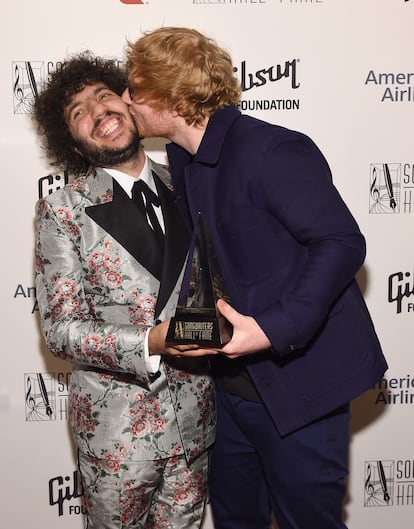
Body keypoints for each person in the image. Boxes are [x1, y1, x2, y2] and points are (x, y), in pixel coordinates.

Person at [122, 27, 388, 529]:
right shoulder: (182, 157)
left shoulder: (272, 151)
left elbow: (341, 242)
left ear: (166, 98)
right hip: (227, 393)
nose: (126, 99)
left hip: (301, 388)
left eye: (134, 89)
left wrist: (271, 328)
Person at [33, 51, 216, 529]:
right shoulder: (63, 211)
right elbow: (60, 331)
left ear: (131, 103)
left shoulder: (187, 186)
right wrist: (150, 342)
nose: (98, 113)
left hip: (195, 426)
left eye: (104, 97)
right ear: (70, 139)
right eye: (79, 113)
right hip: (117, 438)